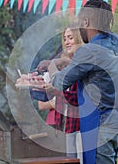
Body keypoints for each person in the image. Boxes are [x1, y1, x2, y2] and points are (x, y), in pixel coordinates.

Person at [47, 0, 118, 164]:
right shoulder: (117, 42)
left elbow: (60, 82)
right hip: (116, 121)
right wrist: (68, 62)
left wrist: (52, 64)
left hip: (99, 125)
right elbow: (96, 65)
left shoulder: (89, 51)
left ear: (87, 21)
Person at [37, 27, 83, 160]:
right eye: (65, 39)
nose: (67, 42)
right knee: (70, 159)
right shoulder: (68, 66)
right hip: (67, 123)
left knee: (78, 159)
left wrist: (56, 91)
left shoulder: (82, 64)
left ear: (79, 39)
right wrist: (39, 88)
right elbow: (43, 102)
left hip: (81, 124)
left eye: (71, 38)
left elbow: (80, 96)